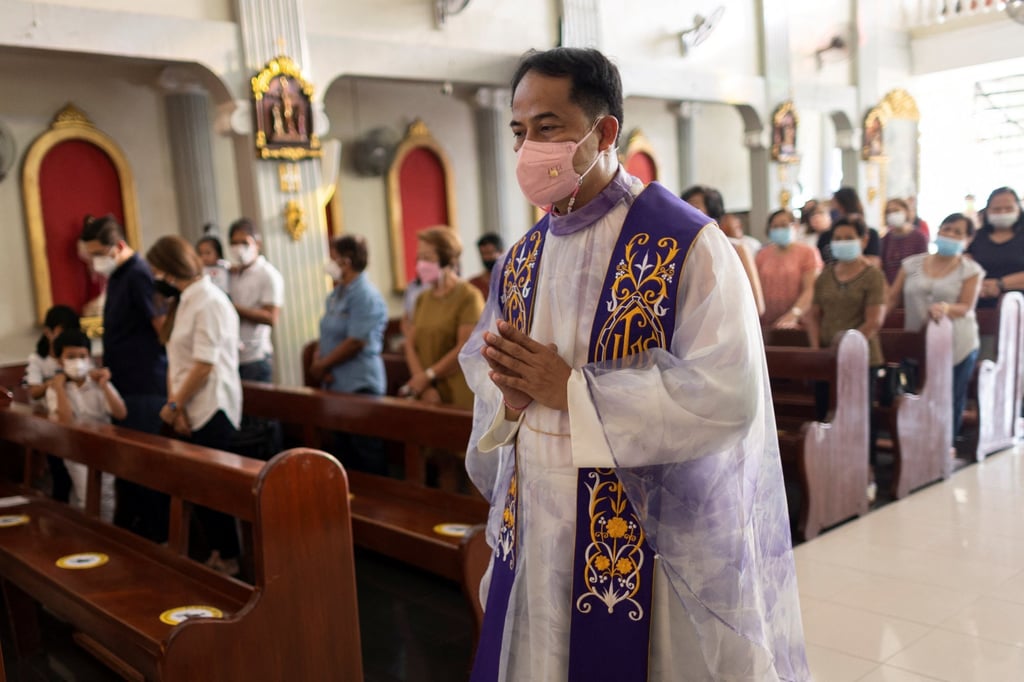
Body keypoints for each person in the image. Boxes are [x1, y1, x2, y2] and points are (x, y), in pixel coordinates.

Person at [459, 47, 807, 681]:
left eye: (548, 128)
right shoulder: (521, 258)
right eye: (519, 131)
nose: (528, 148)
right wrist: (508, 397)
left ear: (605, 131)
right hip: (540, 524)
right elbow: (494, 375)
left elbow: (728, 395)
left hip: (644, 540)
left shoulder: (689, 245)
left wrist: (573, 393)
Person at [147, 235, 242, 576]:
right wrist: (177, 407)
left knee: (214, 489)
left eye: (158, 269)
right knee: (196, 487)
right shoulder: (185, 299)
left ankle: (230, 556)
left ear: (171, 266)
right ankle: (216, 552)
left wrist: (175, 405)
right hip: (187, 404)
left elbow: (205, 364)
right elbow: (176, 359)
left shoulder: (210, 301)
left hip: (214, 406)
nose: (156, 277)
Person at [79, 215, 168, 539]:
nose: (95, 262)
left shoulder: (139, 275)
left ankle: (159, 542)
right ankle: (139, 542)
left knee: (146, 471)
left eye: (98, 254)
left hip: (145, 386)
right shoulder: (117, 275)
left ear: (117, 246)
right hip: (124, 387)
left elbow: (161, 329)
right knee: (129, 474)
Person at [886, 213, 982, 439]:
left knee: (950, 394)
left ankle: (946, 442)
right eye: (946, 229)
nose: (950, 234)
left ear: (968, 239)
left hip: (958, 342)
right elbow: (892, 298)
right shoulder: (913, 264)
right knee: (919, 392)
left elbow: (966, 306)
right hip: (918, 341)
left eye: (957, 232)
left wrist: (947, 308)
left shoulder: (969, 270)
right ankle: (918, 442)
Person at [403, 226, 484, 492]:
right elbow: (410, 343)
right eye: (419, 257)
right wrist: (422, 384)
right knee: (442, 463)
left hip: (460, 387)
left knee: (470, 465)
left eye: (427, 257)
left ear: (447, 259)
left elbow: (465, 346)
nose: (420, 264)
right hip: (428, 390)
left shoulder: (468, 296)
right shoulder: (423, 298)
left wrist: (428, 377)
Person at [310, 235, 389, 474]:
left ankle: (375, 506)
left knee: (365, 454)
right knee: (342, 453)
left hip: (359, 384)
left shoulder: (365, 294)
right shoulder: (336, 294)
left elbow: (356, 341)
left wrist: (323, 365)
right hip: (336, 384)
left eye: (332, 257)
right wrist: (319, 361)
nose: (329, 263)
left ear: (346, 261)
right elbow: (326, 333)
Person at [45, 328, 123, 521]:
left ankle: (104, 538)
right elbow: (65, 420)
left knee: (106, 497)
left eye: (82, 356)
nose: (78, 362)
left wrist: (105, 385)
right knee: (85, 496)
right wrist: (60, 388)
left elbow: (120, 413)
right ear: (59, 360)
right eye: (71, 356)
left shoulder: (97, 382)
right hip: (75, 448)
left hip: (104, 447)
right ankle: (88, 538)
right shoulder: (55, 389)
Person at [25, 304, 81, 502]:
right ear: (48, 332)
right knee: (60, 475)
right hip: (50, 424)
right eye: (61, 331)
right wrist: (55, 382)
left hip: (76, 420)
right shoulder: (38, 359)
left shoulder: (75, 357)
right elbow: (33, 390)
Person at [682, 185, 766, 316]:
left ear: (712, 214)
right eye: (683, 205)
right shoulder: (682, 250)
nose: (685, 211)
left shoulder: (737, 248)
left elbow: (757, 303)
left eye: (694, 206)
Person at [227, 218, 284, 382]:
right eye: (234, 243)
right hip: (233, 355)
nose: (239, 248)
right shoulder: (234, 273)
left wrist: (232, 308)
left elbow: (271, 317)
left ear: (257, 244)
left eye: (244, 242)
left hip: (256, 357)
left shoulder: (268, 275)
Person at [756, 209, 823, 329]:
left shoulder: (808, 253)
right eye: (775, 226)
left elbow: (811, 289)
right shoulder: (762, 255)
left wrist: (794, 314)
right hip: (766, 323)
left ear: (795, 226)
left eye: (783, 225)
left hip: (798, 322)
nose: (779, 229)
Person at [966, 187, 1024, 309]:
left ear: (1018, 210)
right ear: (987, 211)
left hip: (1019, 307)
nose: (1002, 212)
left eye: (1008, 209)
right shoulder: (975, 237)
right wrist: (977, 286)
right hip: (979, 307)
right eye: (996, 209)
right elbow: (962, 268)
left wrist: (1000, 284)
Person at [818, 187, 881, 268]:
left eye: (849, 238)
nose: (832, 209)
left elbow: (873, 264)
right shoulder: (825, 236)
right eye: (837, 239)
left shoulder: (870, 234)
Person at [880, 198, 928, 284]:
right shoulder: (886, 239)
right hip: (889, 286)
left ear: (906, 211)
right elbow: (882, 267)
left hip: (912, 287)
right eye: (889, 212)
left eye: (896, 210)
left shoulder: (919, 237)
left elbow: (922, 266)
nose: (892, 214)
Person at [470, 232, 505, 301]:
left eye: (489, 253)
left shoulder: (512, 280)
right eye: (483, 254)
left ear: (501, 252)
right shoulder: (473, 285)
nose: (486, 258)